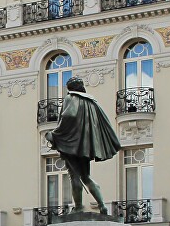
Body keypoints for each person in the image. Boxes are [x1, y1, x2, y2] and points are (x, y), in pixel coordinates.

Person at [45, 76, 121, 213]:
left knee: (74, 176)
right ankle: (102, 205)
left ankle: (78, 207)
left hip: (72, 144)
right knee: (86, 176)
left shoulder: (71, 98)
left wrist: (55, 134)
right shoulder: (91, 102)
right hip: (86, 145)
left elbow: (69, 115)